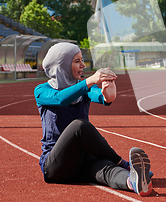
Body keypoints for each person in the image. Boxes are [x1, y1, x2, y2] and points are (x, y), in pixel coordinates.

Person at [34, 42, 153, 196]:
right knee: (79, 126)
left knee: (107, 169)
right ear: (61, 65)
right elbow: (60, 99)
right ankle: (123, 163)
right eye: (77, 61)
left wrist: (107, 96)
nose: (83, 65)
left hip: (83, 161)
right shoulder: (42, 90)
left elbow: (98, 95)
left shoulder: (84, 89)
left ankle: (134, 182)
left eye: (82, 60)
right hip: (56, 166)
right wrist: (89, 81)